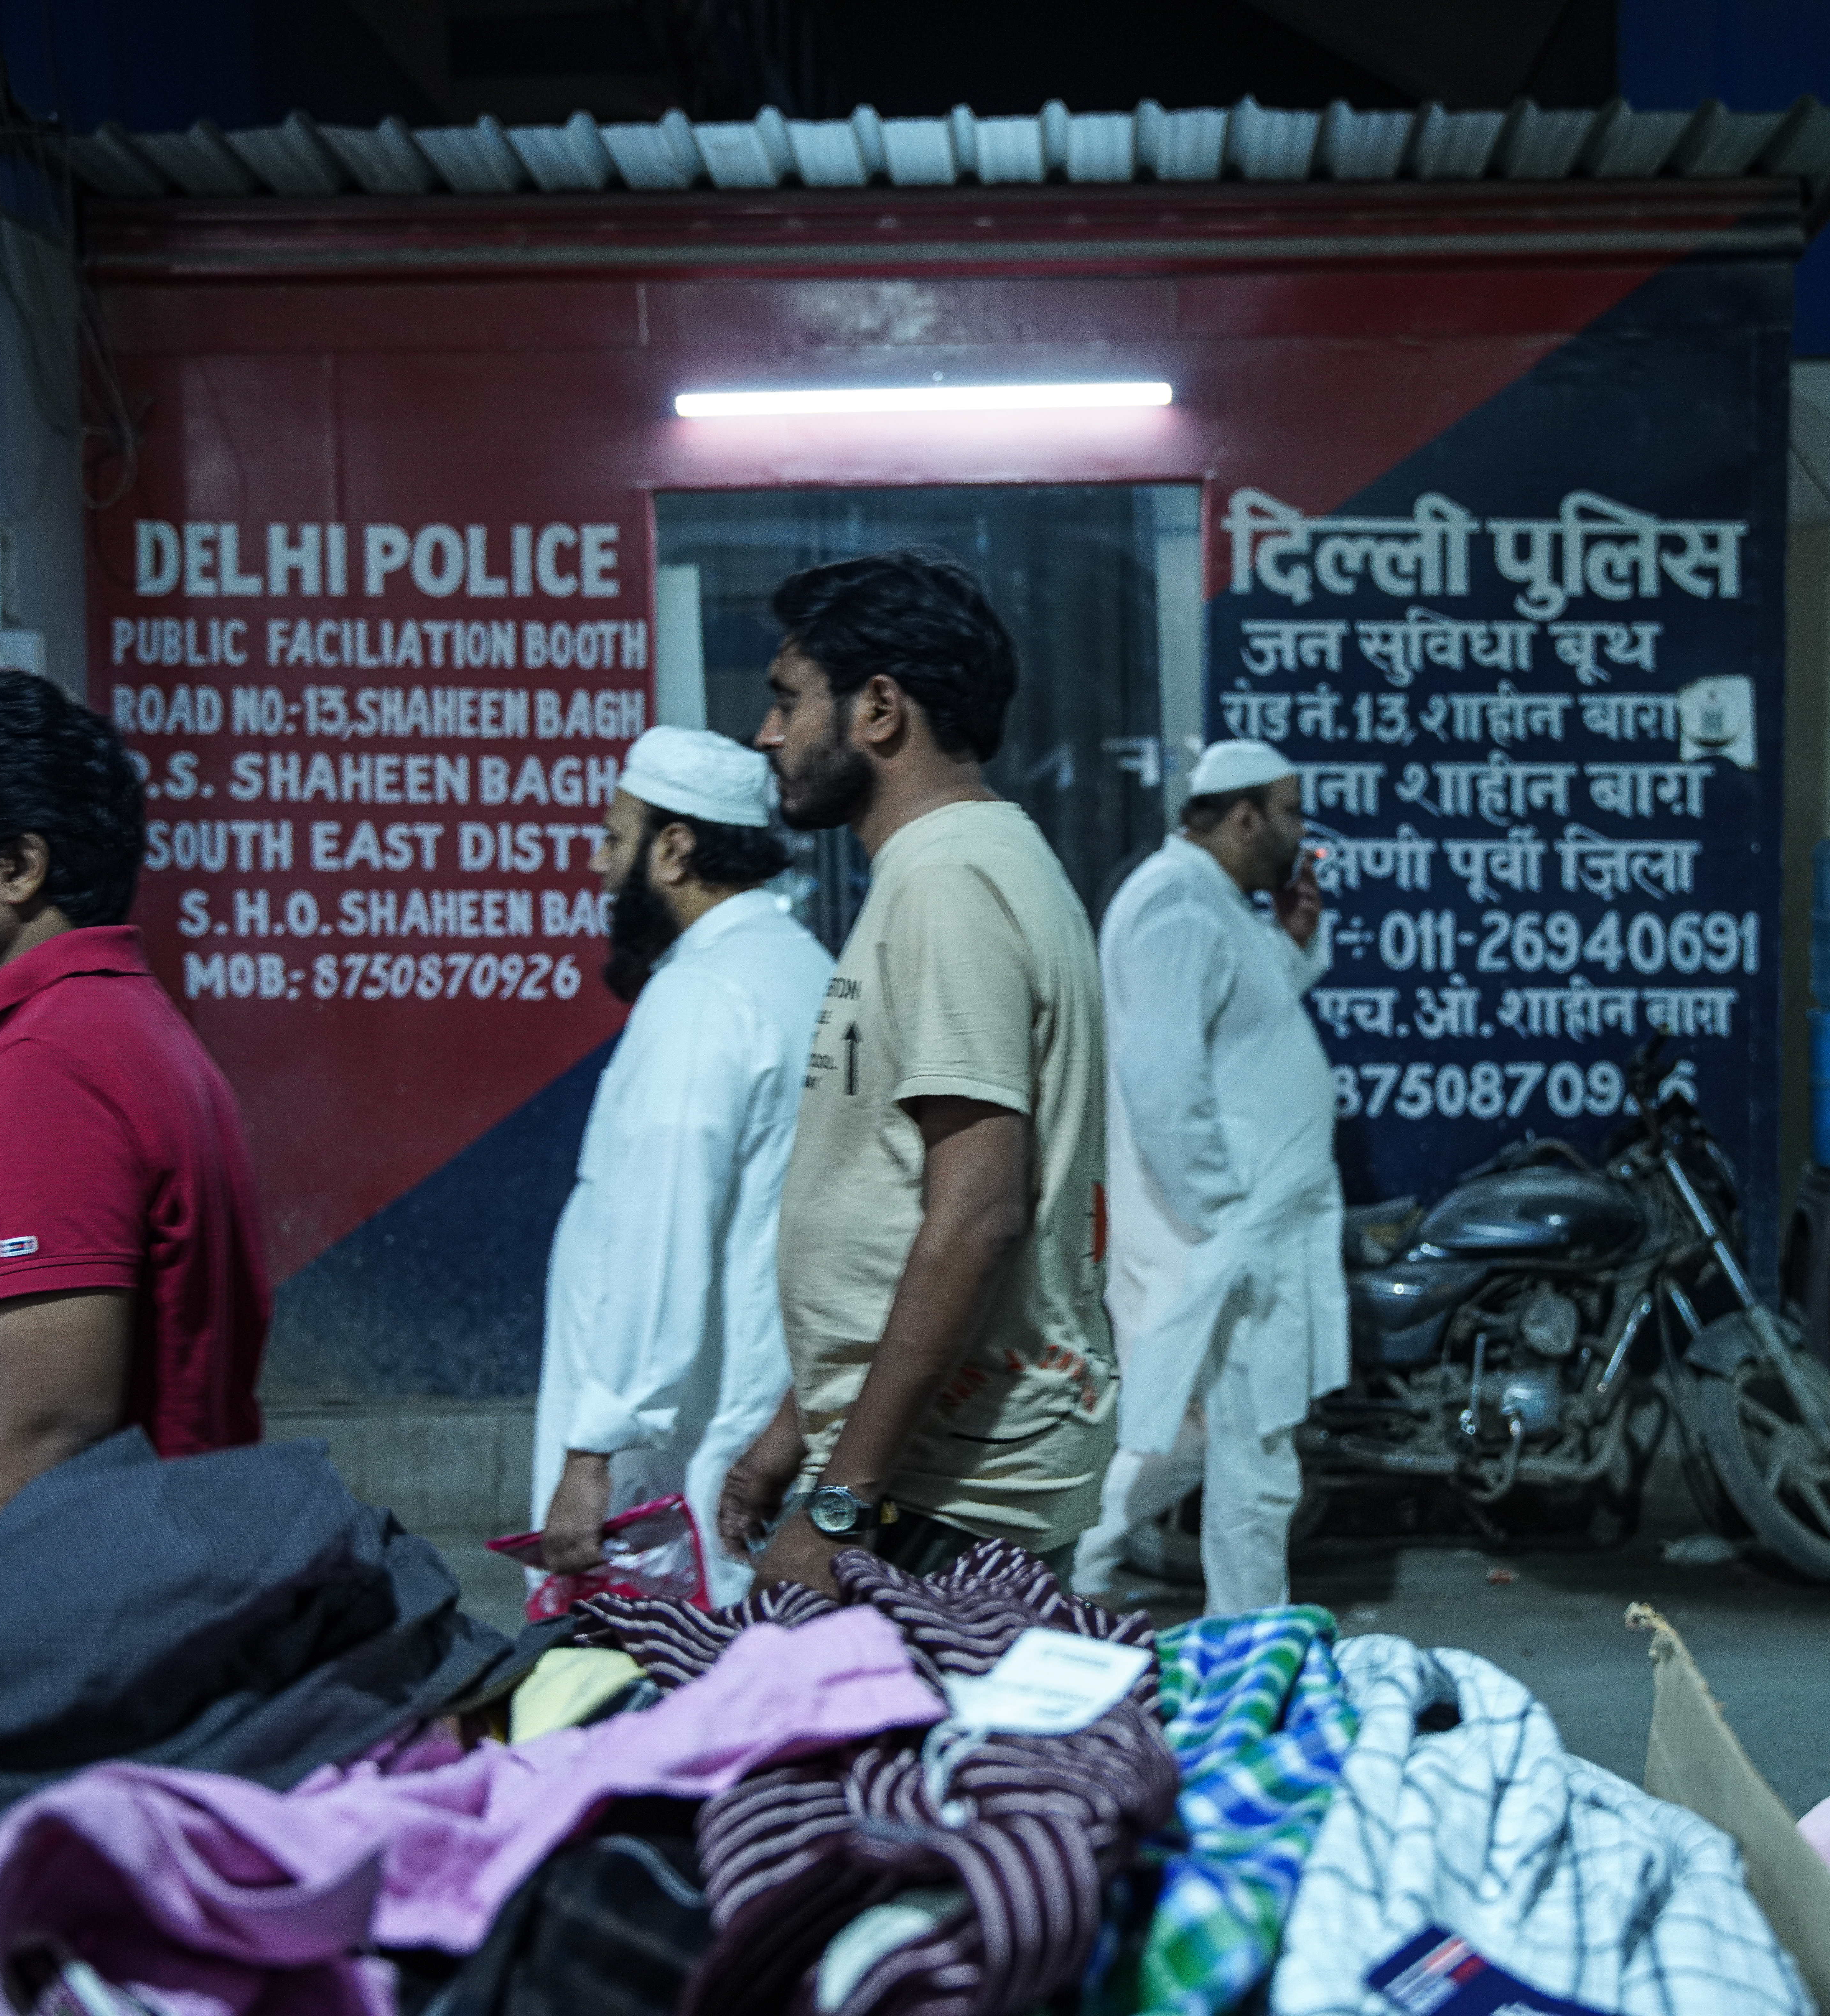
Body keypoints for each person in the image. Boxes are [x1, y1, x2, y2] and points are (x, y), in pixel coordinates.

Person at [720, 546, 1113, 1596]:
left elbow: (975, 1215)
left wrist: (840, 1502)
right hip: (912, 1474)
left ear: (879, 709)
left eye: (789, 700)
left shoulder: (950, 884)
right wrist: (791, 1427)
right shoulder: (956, 869)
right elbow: (894, 1205)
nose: (769, 734)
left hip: (946, 1499)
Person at [0, 671, 267, 1565]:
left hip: (55, 1646)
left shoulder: (50, 1066)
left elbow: (55, 1424)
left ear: (17, 868)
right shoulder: (116, 1026)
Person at [530, 726, 831, 1607]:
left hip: (684, 1456)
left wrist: (595, 1454)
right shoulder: (799, 967)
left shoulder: (702, 995)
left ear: (673, 850)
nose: (597, 863)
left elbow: (659, 1231)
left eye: (615, 837)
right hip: (761, 1419)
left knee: (671, 1712)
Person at [1073, 740, 1349, 1612]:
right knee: (1257, 1460)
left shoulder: (1216, 905)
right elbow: (1164, 1085)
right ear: (1244, 818)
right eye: (1292, 813)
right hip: (1225, 1239)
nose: (1302, 834)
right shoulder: (1178, 907)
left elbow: (1246, 1031)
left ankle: (1066, 1589)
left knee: (1190, 1439)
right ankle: (1252, 1654)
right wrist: (1225, 1217)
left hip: (1237, 1236)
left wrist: (1295, 941)